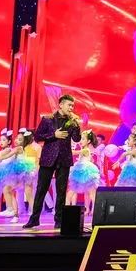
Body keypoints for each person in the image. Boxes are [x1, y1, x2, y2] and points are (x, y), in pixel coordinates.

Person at [23, 94, 82, 229]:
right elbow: (38, 137)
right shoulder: (48, 119)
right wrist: (53, 135)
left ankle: (59, 220)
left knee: (61, 191)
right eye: (69, 105)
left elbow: (77, 139)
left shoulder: (72, 122)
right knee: (41, 189)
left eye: (73, 106)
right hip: (48, 158)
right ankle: (34, 219)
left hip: (64, 159)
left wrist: (77, 125)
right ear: (61, 105)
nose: (71, 108)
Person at [67, 130, 101, 215]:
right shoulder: (84, 149)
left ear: (88, 141)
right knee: (82, 192)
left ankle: (94, 210)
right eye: (81, 139)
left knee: (92, 193)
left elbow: (73, 152)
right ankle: (85, 209)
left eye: (82, 139)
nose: (80, 141)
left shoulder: (86, 150)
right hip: (81, 170)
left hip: (87, 171)